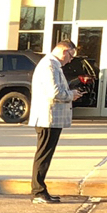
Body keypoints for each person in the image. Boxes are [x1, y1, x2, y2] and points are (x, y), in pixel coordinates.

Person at [28, 40, 84, 204]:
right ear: (65, 51)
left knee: (45, 154)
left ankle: (41, 190)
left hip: (51, 118)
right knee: (43, 155)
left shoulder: (51, 65)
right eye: (71, 55)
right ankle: (38, 191)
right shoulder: (49, 66)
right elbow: (54, 92)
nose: (71, 60)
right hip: (47, 118)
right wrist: (71, 95)